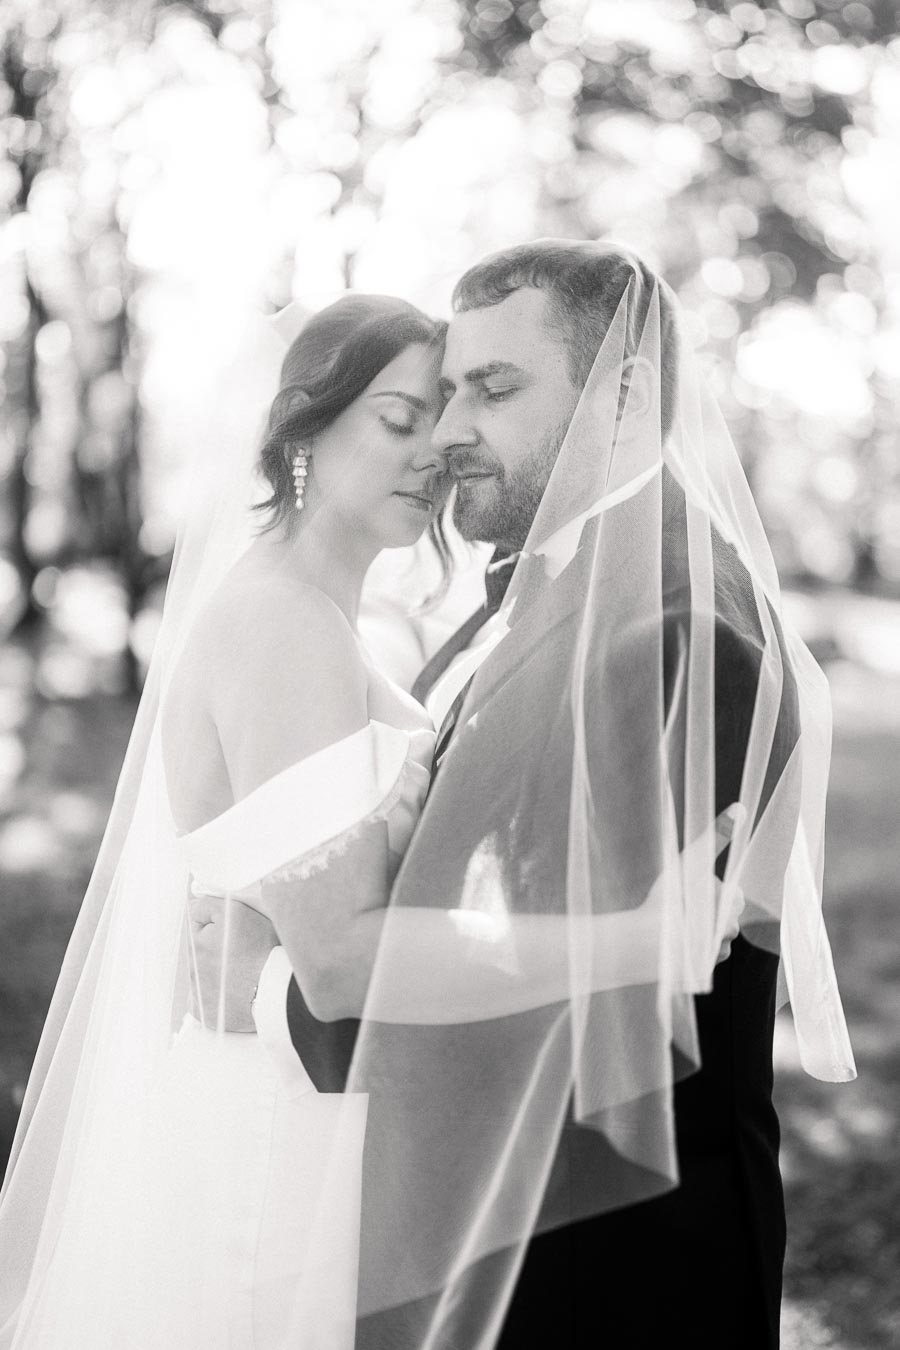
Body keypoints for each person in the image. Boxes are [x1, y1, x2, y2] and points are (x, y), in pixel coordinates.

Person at [193, 242, 855, 1349]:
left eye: (493, 390)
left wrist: (274, 988)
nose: (451, 432)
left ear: (625, 394)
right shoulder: (557, 587)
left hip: (613, 1273)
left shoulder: (681, 629)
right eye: (447, 391)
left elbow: (557, 1010)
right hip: (512, 1241)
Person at [0, 293, 449, 1349]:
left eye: (444, 417)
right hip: (277, 1123)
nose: (432, 451)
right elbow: (335, 961)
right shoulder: (282, 622)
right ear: (304, 424)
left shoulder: (327, 617)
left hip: (310, 1097)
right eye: (398, 418)